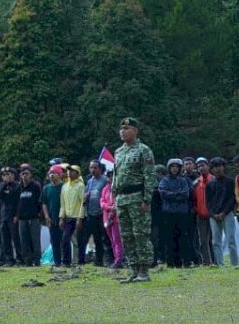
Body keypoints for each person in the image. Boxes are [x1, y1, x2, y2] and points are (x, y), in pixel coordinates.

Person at [114, 118, 157, 283]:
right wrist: (114, 195)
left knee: (140, 235)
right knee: (126, 236)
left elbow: (150, 176)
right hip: (122, 199)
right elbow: (116, 176)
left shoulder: (143, 150)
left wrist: (147, 199)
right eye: (121, 128)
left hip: (137, 198)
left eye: (127, 128)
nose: (123, 131)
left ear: (135, 131)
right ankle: (133, 269)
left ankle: (144, 271)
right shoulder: (119, 152)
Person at [157, 158, 193, 268]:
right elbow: (163, 194)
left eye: (177, 166)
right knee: (169, 238)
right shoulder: (164, 180)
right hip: (168, 213)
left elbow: (186, 194)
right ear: (169, 168)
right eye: (172, 166)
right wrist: (177, 194)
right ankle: (171, 263)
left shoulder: (183, 180)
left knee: (183, 237)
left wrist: (172, 194)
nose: (174, 169)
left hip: (182, 213)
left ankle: (185, 262)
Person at [206, 157, 239, 267]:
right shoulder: (209, 184)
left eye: (220, 166)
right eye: (215, 167)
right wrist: (213, 214)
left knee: (231, 240)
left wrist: (224, 213)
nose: (218, 169)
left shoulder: (230, 182)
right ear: (212, 169)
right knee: (216, 241)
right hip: (213, 216)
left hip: (227, 214)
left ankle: (235, 264)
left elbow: (232, 200)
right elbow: (208, 202)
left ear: (223, 167)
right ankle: (220, 264)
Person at [78, 161, 108, 267]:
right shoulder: (90, 181)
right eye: (91, 168)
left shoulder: (105, 180)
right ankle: (86, 260)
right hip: (91, 213)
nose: (93, 170)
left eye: (95, 168)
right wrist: (85, 197)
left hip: (102, 213)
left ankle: (103, 260)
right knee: (90, 237)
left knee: (102, 238)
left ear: (100, 169)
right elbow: (85, 197)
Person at [15, 167, 43, 266]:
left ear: (31, 175)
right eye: (22, 174)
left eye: (26, 173)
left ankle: (37, 260)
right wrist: (16, 216)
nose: (24, 176)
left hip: (33, 217)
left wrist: (39, 213)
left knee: (34, 240)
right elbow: (16, 203)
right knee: (24, 240)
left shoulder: (35, 186)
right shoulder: (19, 187)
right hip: (22, 218)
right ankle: (27, 260)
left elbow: (40, 201)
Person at [59, 165, 85, 268]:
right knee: (65, 239)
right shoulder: (64, 186)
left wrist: (80, 218)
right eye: (69, 171)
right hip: (68, 217)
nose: (70, 173)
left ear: (78, 174)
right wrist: (61, 217)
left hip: (78, 217)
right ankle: (66, 261)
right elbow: (63, 203)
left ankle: (79, 261)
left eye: (73, 171)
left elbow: (83, 202)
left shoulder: (80, 186)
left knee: (78, 240)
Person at [41, 165, 66, 267]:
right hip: (52, 219)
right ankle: (57, 262)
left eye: (54, 173)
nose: (51, 175)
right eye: (50, 173)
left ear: (60, 175)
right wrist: (46, 216)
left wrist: (62, 217)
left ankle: (66, 261)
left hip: (63, 218)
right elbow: (44, 203)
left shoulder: (64, 187)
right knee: (54, 242)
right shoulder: (46, 188)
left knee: (64, 241)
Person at [192, 158, 213, 266]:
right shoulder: (195, 183)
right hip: (201, 215)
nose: (201, 167)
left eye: (203, 165)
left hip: (214, 214)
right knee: (203, 240)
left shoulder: (214, 180)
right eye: (199, 166)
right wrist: (196, 209)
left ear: (208, 166)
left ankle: (217, 260)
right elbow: (193, 199)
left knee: (214, 240)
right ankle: (206, 261)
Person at [0, 167, 21, 266]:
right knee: (5, 239)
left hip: (13, 215)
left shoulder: (17, 186)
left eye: (8, 174)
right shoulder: (2, 185)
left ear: (13, 175)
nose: (5, 176)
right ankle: (9, 259)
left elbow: (19, 202)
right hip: (4, 216)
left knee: (16, 238)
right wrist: (4, 184)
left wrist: (17, 215)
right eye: (4, 175)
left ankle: (20, 258)